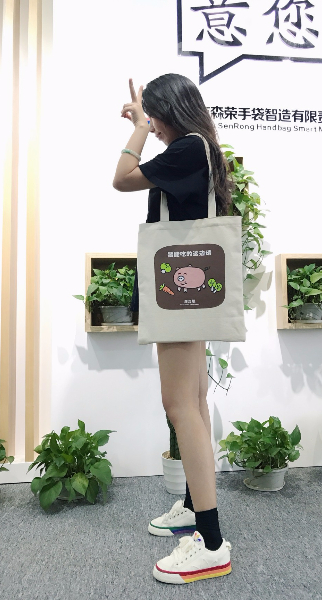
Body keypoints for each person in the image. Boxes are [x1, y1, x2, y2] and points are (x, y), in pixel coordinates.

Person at [113, 74, 234, 585]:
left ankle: (212, 545)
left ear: (169, 110)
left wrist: (138, 127)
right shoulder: (200, 148)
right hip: (188, 290)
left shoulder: (187, 148)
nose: (155, 127)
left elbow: (122, 177)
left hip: (178, 293)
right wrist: (147, 121)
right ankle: (192, 508)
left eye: (156, 116)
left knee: (179, 405)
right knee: (195, 403)